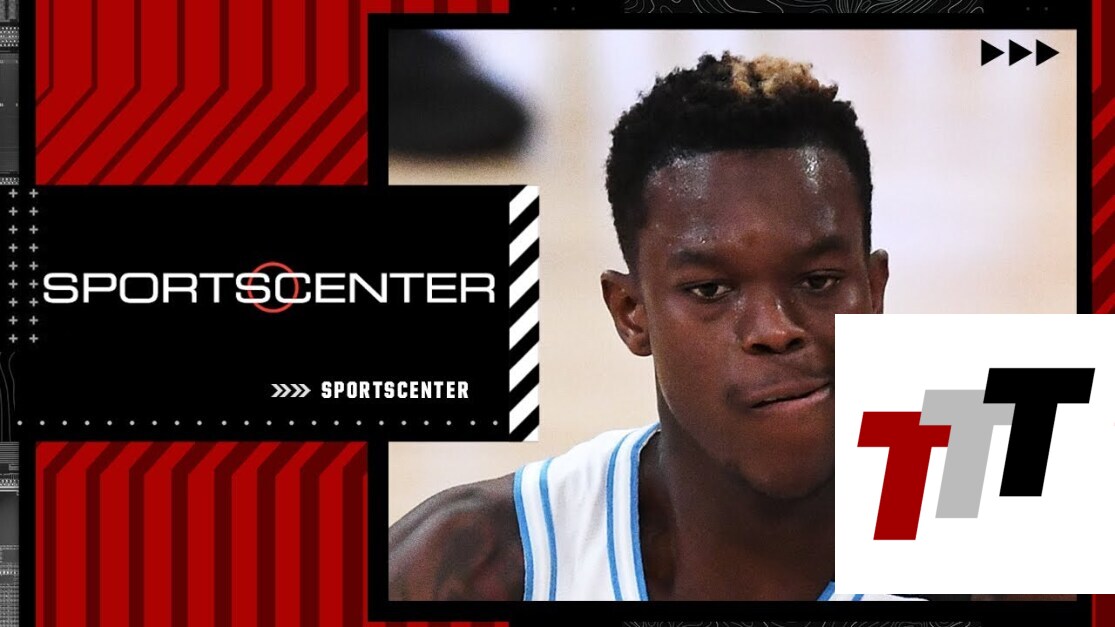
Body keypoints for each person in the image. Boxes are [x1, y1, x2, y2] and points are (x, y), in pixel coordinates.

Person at [387, 52, 1066, 602]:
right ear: (631, 313)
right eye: (710, 290)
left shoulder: (1018, 549)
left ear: (874, 289)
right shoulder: (471, 564)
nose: (775, 329)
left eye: (818, 281)